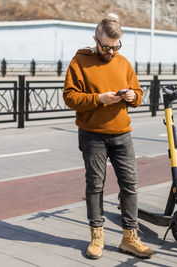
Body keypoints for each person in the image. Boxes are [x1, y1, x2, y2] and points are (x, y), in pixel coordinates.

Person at [63, 15, 153, 260]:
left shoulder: (123, 62)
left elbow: (138, 92)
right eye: (106, 46)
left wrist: (133, 97)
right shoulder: (80, 60)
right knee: (95, 186)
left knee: (130, 186)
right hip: (93, 135)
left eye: (116, 46)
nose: (111, 51)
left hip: (122, 134)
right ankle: (97, 235)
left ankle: (129, 237)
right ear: (95, 39)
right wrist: (99, 99)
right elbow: (70, 97)